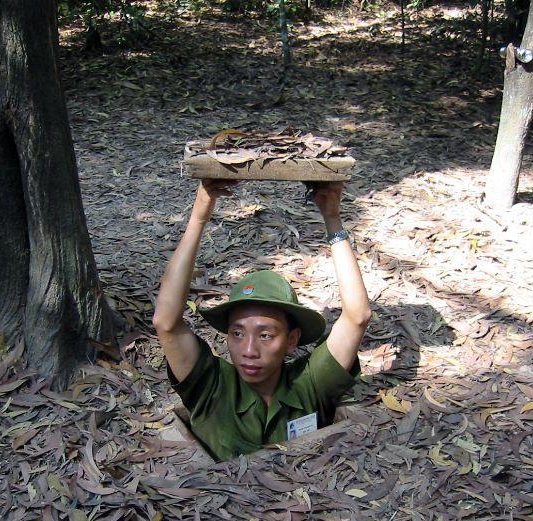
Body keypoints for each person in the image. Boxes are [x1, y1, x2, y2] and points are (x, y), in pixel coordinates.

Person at [152, 179, 371, 461]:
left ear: (292, 340)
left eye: (265, 335)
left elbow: (357, 316)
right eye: (238, 333)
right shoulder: (211, 386)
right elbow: (166, 321)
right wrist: (198, 218)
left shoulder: (310, 383)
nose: (249, 350)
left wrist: (333, 220)